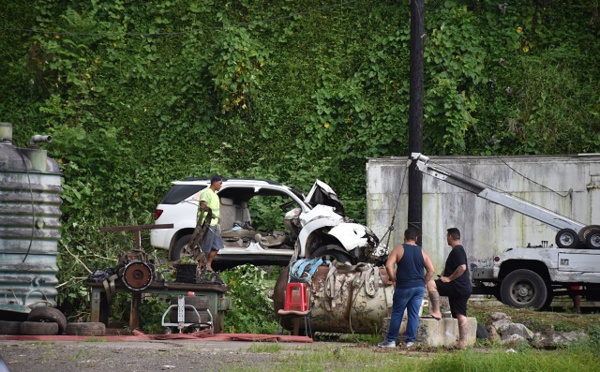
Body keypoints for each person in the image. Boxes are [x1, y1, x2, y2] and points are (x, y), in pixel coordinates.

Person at [378, 227, 435, 348]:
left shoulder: (399, 249)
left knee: (397, 313)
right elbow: (431, 270)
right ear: (416, 239)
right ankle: (410, 341)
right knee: (413, 314)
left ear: (404, 237)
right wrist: (423, 282)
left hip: (403, 286)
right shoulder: (422, 251)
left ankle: (391, 341)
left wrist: (393, 279)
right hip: (418, 288)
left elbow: (388, 266)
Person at [423, 227, 472, 349]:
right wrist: (444, 275)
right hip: (464, 287)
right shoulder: (459, 250)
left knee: (430, 284)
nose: (446, 239)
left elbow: (462, 267)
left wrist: (449, 279)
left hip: (457, 286)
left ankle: (436, 312)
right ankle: (462, 342)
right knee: (461, 315)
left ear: (450, 236)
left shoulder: (457, 250)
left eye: (447, 237)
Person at [194, 174, 224, 273]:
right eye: (220, 183)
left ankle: (208, 265)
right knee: (204, 246)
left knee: (217, 246)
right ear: (214, 183)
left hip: (214, 224)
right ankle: (200, 266)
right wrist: (210, 212)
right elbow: (203, 206)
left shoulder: (215, 195)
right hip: (206, 224)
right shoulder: (206, 193)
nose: (221, 185)